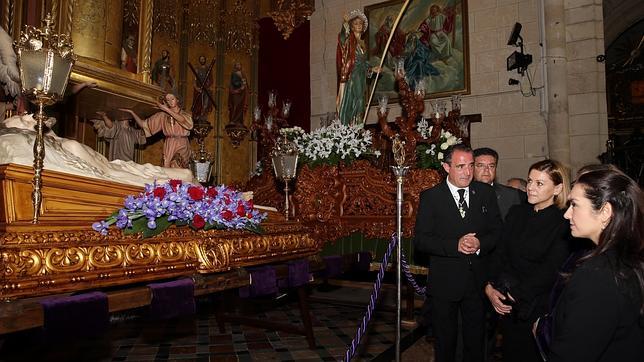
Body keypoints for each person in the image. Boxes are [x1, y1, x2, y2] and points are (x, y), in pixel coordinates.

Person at [538, 168, 644, 361]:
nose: (566, 214)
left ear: (605, 212)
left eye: (574, 205)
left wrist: (540, 331)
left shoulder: (597, 275)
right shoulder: (628, 257)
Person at [415, 144, 503, 362]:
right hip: (445, 284)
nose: (468, 172)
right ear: (446, 167)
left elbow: (498, 231)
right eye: (460, 166)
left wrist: (479, 242)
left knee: (476, 341)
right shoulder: (431, 197)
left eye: (470, 166)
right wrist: (455, 245)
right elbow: (422, 240)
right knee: (445, 342)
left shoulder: (485, 192)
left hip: (478, 282)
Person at [485, 159, 572, 362]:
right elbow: (500, 253)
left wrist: (515, 295)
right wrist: (490, 287)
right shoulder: (517, 212)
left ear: (558, 188)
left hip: (536, 306)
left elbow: (551, 268)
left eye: (539, 184)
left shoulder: (563, 221)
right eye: (530, 181)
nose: (531, 188)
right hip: (505, 301)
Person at [120, 93, 193, 168]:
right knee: (166, 169)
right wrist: (132, 112)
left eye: (172, 99)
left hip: (182, 143)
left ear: (177, 100)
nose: (170, 102)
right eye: (168, 100)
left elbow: (183, 121)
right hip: (169, 144)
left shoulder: (184, 114)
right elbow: (144, 125)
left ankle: (179, 180)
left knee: (176, 164)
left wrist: (166, 109)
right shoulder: (162, 116)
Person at [336, 9, 380, 126]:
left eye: (360, 23)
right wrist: (345, 24)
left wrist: (372, 69)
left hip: (361, 74)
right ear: (351, 26)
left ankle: (357, 122)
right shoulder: (349, 40)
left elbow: (364, 62)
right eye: (356, 23)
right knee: (357, 98)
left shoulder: (362, 43)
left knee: (361, 98)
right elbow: (342, 38)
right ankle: (353, 123)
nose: (359, 25)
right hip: (352, 73)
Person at [474, 147, 527, 221]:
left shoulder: (512, 195)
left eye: (491, 166)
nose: (486, 170)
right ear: (472, 168)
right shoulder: (463, 193)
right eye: (481, 165)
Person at [191, 55, 214, 123]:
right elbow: (194, 80)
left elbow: (211, 79)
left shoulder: (208, 69)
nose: (202, 60)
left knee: (205, 104)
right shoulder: (197, 69)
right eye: (201, 59)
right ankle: (197, 117)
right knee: (198, 103)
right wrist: (196, 87)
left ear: (205, 60)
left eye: (203, 59)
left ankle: (203, 117)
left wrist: (208, 86)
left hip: (206, 89)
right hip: (199, 89)